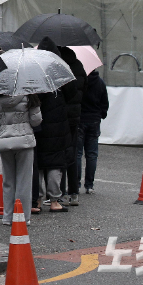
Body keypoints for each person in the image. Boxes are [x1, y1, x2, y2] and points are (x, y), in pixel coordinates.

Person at [0, 94, 42, 225]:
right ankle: (22, 217)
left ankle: (7, 216)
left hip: (5, 142)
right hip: (25, 142)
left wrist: (0, 134)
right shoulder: (29, 95)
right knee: (24, 181)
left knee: (8, 181)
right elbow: (36, 120)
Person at [34, 37, 70, 213]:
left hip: (39, 126)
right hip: (58, 127)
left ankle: (38, 199)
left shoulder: (34, 75)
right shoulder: (61, 74)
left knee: (39, 163)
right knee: (55, 163)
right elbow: (72, 97)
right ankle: (55, 200)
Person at [58, 46, 87, 206]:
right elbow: (85, 89)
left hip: (62, 115)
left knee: (61, 154)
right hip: (75, 116)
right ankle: (74, 191)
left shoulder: (60, 67)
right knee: (73, 154)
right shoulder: (79, 66)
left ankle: (60, 192)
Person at [77, 70, 109, 194]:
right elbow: (104, 103)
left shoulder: (79, 82)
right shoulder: (100, 82)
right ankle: (89, 185)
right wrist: (101, 114)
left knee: (77, 154)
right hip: (94, 120)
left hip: (80, 119)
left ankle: (76, 184)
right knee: (92, 154)